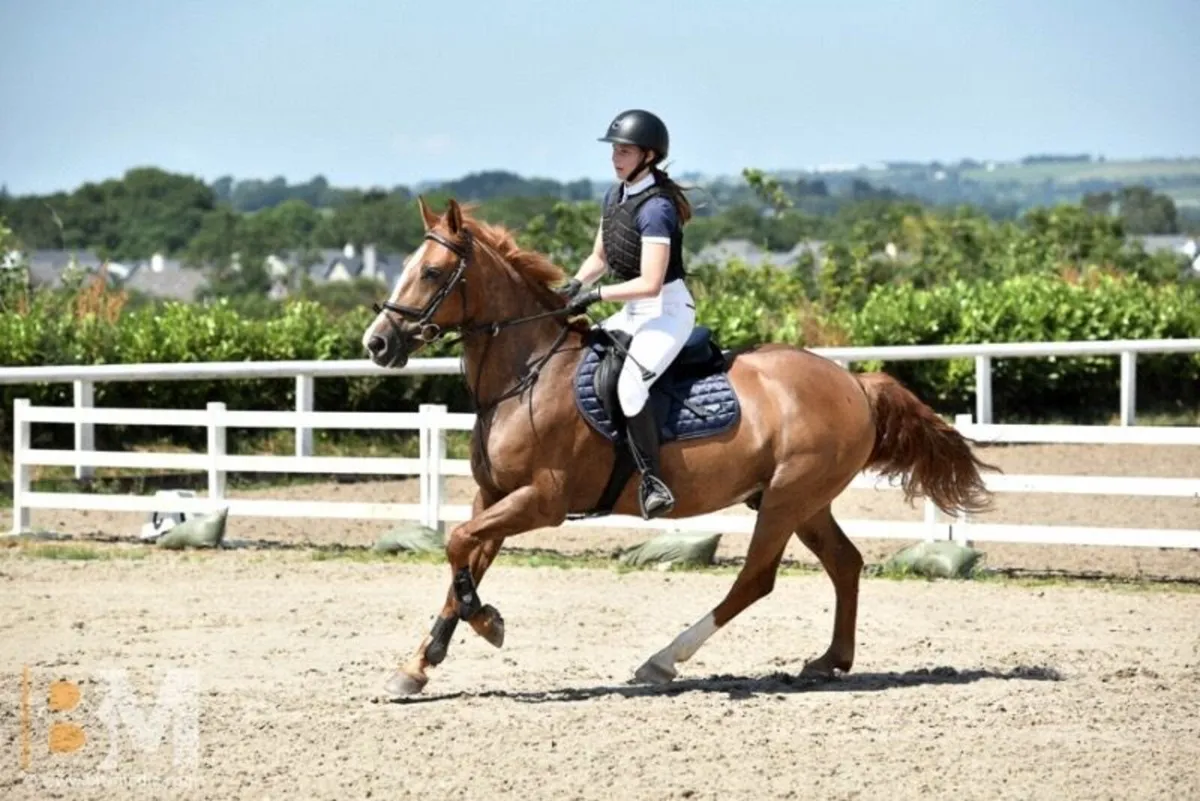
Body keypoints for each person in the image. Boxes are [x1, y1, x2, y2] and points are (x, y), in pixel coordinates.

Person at [559, 109, 697, 520]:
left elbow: (651, 282)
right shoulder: (614, 196)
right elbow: (599, 257)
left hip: (667, 312)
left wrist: (597, 296)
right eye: (614, 150)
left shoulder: (657, 209)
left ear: (649, 156)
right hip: (632, 310)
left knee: (631, 386)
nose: (616, 157)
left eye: (625, 150)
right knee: (578, 361)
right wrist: (575, 284)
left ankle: (653, 482)